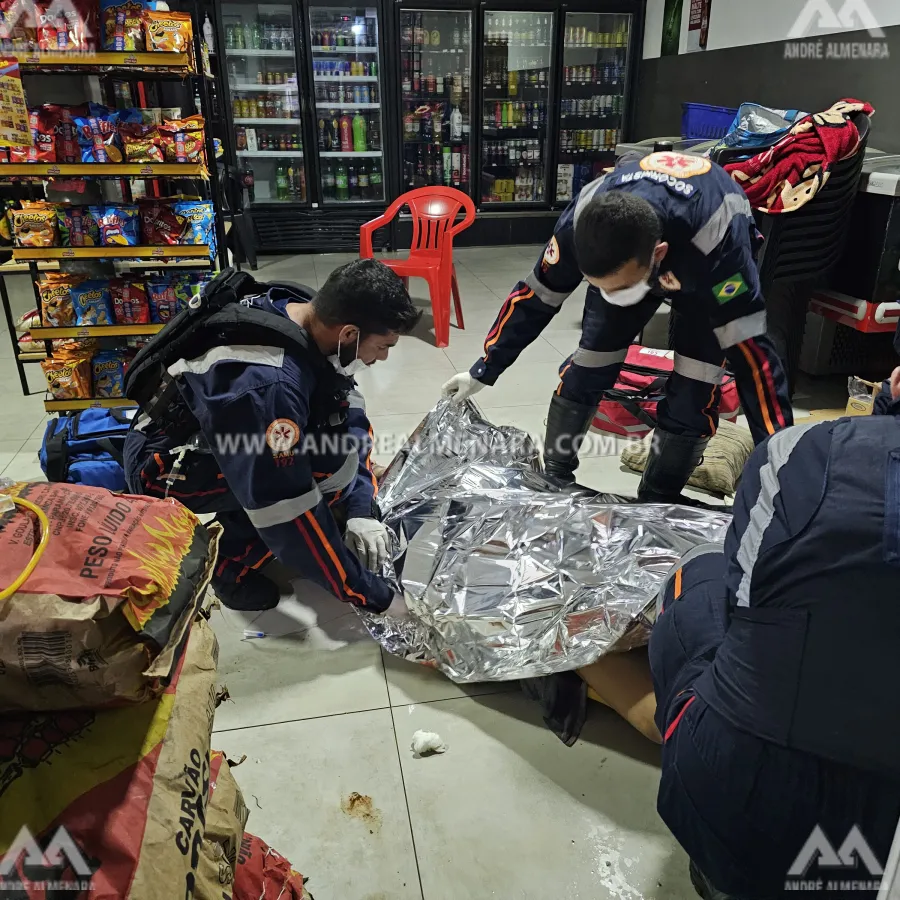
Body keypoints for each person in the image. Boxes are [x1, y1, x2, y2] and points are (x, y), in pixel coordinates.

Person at [580, 364, 900, 899]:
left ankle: (720, 862)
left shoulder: (803, 450)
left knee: (703, 569)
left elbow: (741, 596)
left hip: (744, 814)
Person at [442, 150, 794, 502]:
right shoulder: (579, 223)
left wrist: (779, 456)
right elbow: (535, 298)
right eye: (599, 285)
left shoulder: (720, 245)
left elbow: (756, 360)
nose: (613, 296)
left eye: (621, 288)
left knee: (697, 386)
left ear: (658, 255)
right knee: (591, 362)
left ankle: (659, 498)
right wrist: (484, 369)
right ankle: (556, 478)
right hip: (642, 256)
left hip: (702, 268)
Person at [123, 260, 421, 612]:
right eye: (383, 346)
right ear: (350, 334)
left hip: (219, 430)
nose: (382, 358)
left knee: (335, 462)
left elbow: (345, 408)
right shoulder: (269, 388)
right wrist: (375, 597)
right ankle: (225, 562)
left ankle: (329, 509)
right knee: (323, 474)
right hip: (163, 467)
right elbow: (287, 512)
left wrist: (361, 508)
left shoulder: (303, 309)